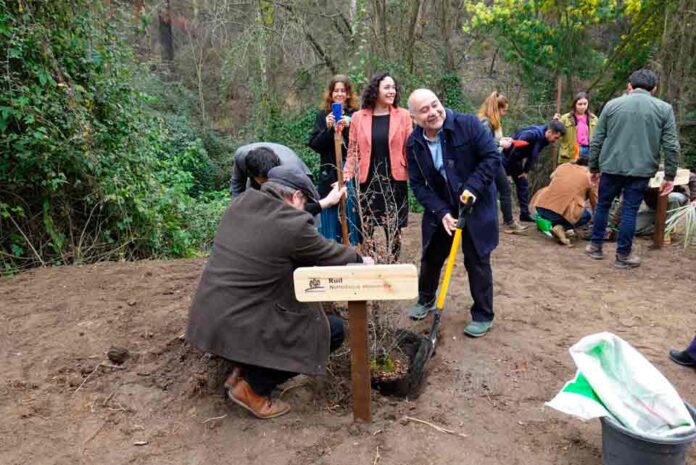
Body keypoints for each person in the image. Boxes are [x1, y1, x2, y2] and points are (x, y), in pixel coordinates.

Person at [186, 165, 372, 419]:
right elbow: (329, 252)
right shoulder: (292, 226)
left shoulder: (242, 203)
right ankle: (253, 389)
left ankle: (240, 372)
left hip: (208, 319)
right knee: (332, 330)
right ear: (296, 196)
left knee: (267, 307)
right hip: (240, 322)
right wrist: (361, 260)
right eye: (304, 201)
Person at [406, 89, 500, 337]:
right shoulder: (414, 143)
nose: (433, 112)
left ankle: (482, 314)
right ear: (414, 117)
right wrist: (441, 212)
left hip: (475, 204)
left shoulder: (468, 125)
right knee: (431, 257)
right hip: (442, 207)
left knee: (477, 260)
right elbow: (417, 184)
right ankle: (426, 299)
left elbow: (491, 157)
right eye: (424, 110)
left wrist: (472, 187)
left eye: (434, 105)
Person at [586, 69, 680, 269]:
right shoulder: (664, 109)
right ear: (654, 88)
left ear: (630, 85)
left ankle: (595, 246)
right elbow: (671, 145)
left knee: (603, 205)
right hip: (641, 170)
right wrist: (670, 175)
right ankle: (623, 255)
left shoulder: (612, 105)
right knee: (630, 210)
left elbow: (597, 140)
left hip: (611, 166)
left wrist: (593, 167)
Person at [344, 72, 412, 262]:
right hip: (368, 181)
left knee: (394, 229)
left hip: (394, 181)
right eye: (387, 87)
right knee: (367, 230)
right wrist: (346, 175)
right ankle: (370, 266)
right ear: (376, 90)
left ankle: (393, 264)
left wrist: (417, 172)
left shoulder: (404, 115)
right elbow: (353, 151)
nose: (392, 91)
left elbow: (410, 148)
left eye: (394, 87)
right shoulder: (359, 117)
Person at [308, 75, 361, 244]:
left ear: (348, 93)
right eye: (336, 90)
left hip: (350, 172)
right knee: (329, 211)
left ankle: (353, 249)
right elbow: (315, 145)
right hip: (329, 171)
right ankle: (331, 249)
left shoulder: (356, 115)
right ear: (330, 94)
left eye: (342, 90)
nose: (339, 94)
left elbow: (363, 144)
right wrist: (328, 128)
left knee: (350, 212)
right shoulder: (322, 115)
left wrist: (350, 124)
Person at [230, 144, 344, 217]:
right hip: (259, 173)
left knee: (290, 213)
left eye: (268, 182)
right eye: (262, 182)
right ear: (250, 174)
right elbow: (237, 185)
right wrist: (239, 210)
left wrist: (326, 202)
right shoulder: (241, 157)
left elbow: (306, 205)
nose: (266, 186)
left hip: (293, 175)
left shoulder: (292, 171)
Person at [477, 91, 527, 234]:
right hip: (489, 161)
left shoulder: (492, 121)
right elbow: (484, 142)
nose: (505, 113)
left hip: (494, 159)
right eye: (504, 110)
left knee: (502, 189)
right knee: (496, 191)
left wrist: (503, 140)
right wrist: (500, 142)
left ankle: (508, 221)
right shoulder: (486, 121)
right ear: (496, 108)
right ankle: (501, 222)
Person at [503, 121, 566, 222]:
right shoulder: (531, 134)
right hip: (506, 158)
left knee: (523, 184)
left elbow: (533, 155)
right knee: (502, 187)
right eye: (556, 137)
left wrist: (526, 171)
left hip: (517, 160)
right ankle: (506, 219)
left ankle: (524, 214)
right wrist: (508, 172)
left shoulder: (544, 138)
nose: (556, 140)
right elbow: (513, 150)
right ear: (550, 132)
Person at [531, 154, 596, 245]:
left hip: (540, 207)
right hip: (559, 214)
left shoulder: (563, 166)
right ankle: (562, 227)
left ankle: (552, 225)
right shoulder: (589, 176)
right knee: (586, 215)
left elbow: (551, 177)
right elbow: (595, 204)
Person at [555, 92, 599, 164]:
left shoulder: (594, 119)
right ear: (575, 104)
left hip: (588, 149)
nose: (582, 107)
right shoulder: (565, 118)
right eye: (580, 104)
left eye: (585, 104)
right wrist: (555, 121)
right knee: (571, 172)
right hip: (572, 150)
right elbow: (555, 132)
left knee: (586, 173)